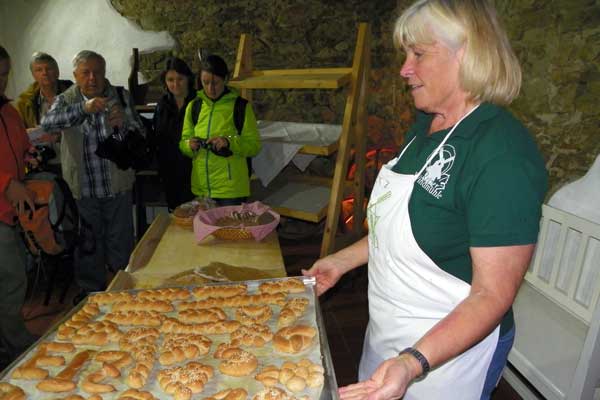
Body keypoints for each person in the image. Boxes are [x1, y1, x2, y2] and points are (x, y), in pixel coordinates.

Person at [303, 1, 548, 399]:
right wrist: (340, 262)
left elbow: (492, 295)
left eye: (418, 54)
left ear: (466, 53)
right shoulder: (426, 126)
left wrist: (412, 360)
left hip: (444, 360)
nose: (404, 68)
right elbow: (402, 227)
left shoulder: (502, 153)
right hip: (389, 336)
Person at [41, 50, 144, 302]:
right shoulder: (67, 99)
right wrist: (83, 109)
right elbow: (48, 124)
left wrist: (123, 126)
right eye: (85, 73)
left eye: (97, 71)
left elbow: (137, 134)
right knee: (88, 246)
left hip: (117, 186)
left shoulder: (120, 95)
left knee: (121, 244)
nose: (92, 78)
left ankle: (125, 293)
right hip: (84, 191)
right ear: (75, 76)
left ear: (105, 73)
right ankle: (92, 295)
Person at [180, 54, 261, 206]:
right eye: (205, 82)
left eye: (215, 82)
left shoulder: (241, 106)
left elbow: (254, 145)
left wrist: (229, 143)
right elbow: (183, 141)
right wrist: (189, 145)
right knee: (205, 230)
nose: (211, 88)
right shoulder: (194, 106)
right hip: (201, 189)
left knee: (229, 230)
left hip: (231, 192)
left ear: (225, 79)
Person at [0, 45, 38, 368]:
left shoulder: (10, 112)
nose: (1, 81)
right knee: (12, 278)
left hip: (10, 213)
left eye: (4, 73)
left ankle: (9, 340)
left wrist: (29, 157)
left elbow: (22, 147)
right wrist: (5, 183)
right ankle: (15, 345)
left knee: (13, 277)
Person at [15, 52, 73, 175]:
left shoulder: (74, 94)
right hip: (43, 166)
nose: (44, 73)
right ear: (33, 75)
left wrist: (57, 137)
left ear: (57, 71)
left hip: (74, 161)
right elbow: (17, 138)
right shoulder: (25, 102)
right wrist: (27, 135)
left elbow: (88, 128)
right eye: (39, 70)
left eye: (49, 68)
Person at [153, 57, 195, 211]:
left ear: (188, 79)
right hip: (170, 171)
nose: (175, 84)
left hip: (194, 170)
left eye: (180, 79)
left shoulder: (199, 102)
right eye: (170, 79)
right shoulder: (162, 105)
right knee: (177, 216)